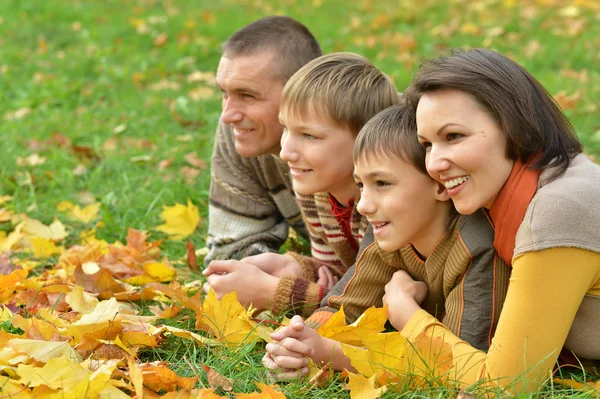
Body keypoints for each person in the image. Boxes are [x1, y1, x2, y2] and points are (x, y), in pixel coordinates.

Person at [388, 48, 600, 393]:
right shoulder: (517, 194)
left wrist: (407, 316)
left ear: (513, 126)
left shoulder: (560, 209)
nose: (435, 163)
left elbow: (503, 386)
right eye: (426, 144)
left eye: (453, 136)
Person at [261, 104, 510, 379]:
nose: (364, 205)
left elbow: (456, 366)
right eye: (360, 185)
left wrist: (404, 311)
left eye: (381, 183)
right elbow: (344, 306)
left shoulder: (477, 248)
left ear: (440, 184)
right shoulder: (388, 230)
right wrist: (299, 341)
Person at [203, 53, 399, 317]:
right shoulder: (317, 191)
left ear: (367, 139)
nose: (286, 153)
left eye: (308, 135)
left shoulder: (383, 203)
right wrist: (295, 268)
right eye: (286, 128)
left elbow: (363, 302)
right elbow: (338, 271)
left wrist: (277, 294)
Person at [205, 16, 321, 264]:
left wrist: (300, 278)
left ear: (301, 92)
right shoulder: (240, 132)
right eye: (224, 93)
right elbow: (231, 248)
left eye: (247, 95)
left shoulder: (375, 138)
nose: (227, 116)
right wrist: (271, 273)